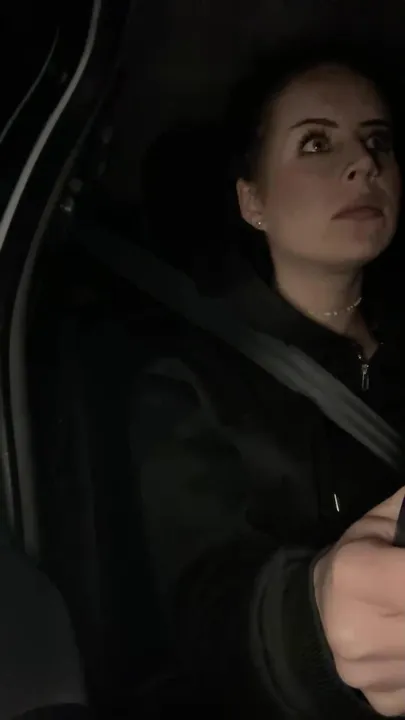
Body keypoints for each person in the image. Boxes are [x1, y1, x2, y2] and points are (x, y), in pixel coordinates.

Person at [131, 41, 405, 718]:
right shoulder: (187, 379)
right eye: (316, 143)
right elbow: (203, 608)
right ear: (253, 201)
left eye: (377, 141)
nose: (364, 165)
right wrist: (308, 626)